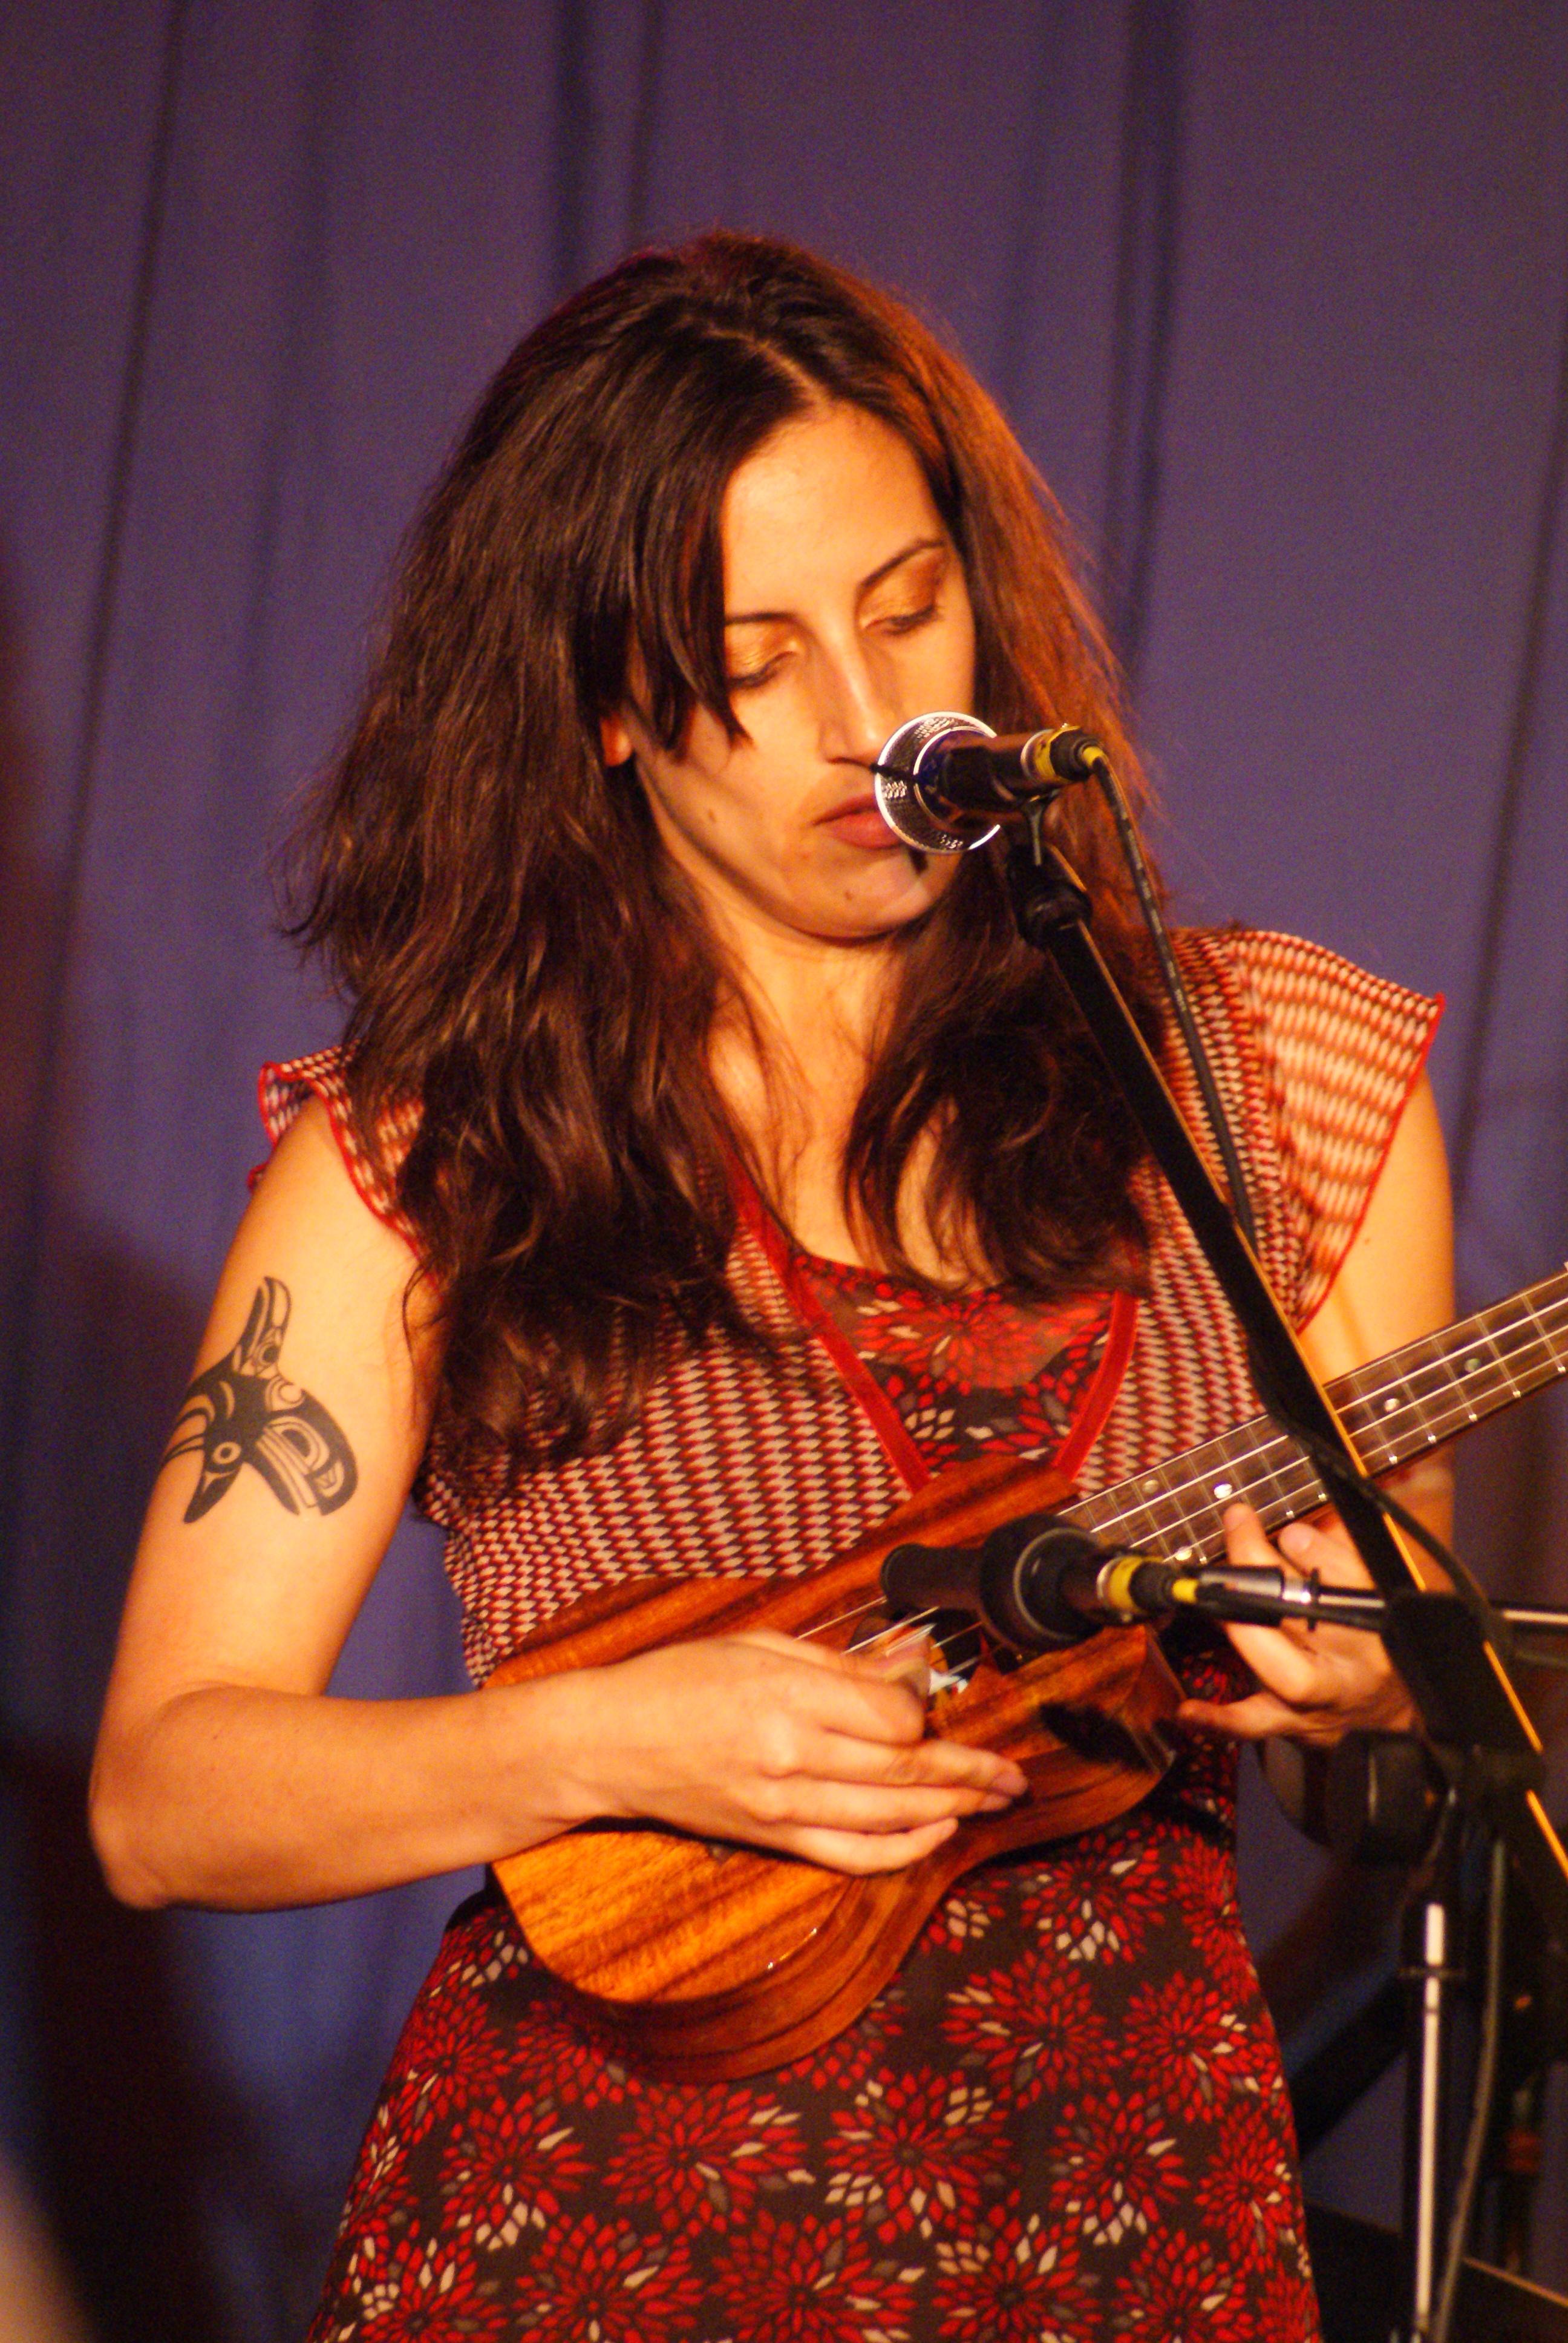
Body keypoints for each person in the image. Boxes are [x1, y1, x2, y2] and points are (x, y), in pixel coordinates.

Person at [90, 232, 1452, 2341]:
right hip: (600, 2237)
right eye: (757, 655)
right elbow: (166, 1797)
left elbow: (1377, 1759)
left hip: (1125, 2223)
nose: (869, 721)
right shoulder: (437, 1158)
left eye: (907, 612)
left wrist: (1365, 1682)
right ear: (608, 707)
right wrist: (605, 1739)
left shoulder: (1272, 1080)